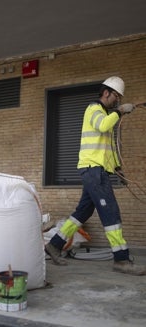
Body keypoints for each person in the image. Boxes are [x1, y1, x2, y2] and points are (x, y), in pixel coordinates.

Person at [45, 76, 146, 276]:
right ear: (106, 92)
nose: (117, 101)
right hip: (93, 170)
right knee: (111, 213)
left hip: (97, 170)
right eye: (115, 96)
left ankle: (55, 245)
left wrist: (117, 167)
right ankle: (121, 259)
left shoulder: (106, 115)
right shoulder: (94, 110)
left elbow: (107, 148)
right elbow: (102, 126)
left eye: (119, 98)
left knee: (82, 212)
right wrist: (119, 111)